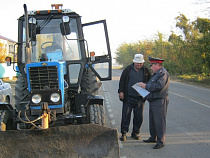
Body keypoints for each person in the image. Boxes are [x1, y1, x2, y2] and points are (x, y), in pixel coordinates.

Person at [118, 54, 151, 141]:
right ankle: (124, 133)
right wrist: (121, 91)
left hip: (140, 98)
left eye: (140, 63)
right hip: (128, 97)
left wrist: (147, 93)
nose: (139, 65)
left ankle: (135, 133)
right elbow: (122, 81)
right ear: (134, 62)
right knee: (125, 116)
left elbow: (150, 83)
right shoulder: (128, 69)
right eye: (137, 63)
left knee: (138, 117)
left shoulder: (146, 71)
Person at [139, 57, 170, 149]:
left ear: (157, 64)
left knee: (159, 121)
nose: (151, 68)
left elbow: (159, 86)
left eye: (152, 65)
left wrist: (146, 86)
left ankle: (160, 141)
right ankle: (153, 137)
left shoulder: (163, 73)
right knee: (152, 120)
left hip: (159, 100)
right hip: (153, 100)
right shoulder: (156, 74)